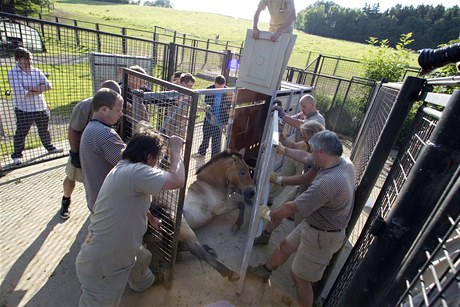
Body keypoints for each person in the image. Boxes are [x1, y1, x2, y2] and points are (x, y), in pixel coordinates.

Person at [76, 128, 185, 306]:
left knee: (142, 257)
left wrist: (150, 218)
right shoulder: (137, 172)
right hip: (105, 265)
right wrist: (175, 149)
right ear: (149, 157)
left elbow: (134, 200)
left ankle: (143, 282)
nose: (156, 164)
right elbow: (178, 180)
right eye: (157, 159)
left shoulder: (123, 168)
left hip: (103, 249)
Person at [248, 130, 356, 307]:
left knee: (299, 277)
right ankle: (264, 270)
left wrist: (268, 214)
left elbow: (292, 207)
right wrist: (284, 149)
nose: (311, 154)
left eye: (314, 150)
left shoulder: (328, 182)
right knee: (285, 246)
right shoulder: (342, 162)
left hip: (323, 236)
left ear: (322, 152)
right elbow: (306, 157)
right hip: (315, 224)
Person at [254, 120, 325, 245]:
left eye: (305, 136)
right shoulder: (311, 145)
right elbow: (302, 154)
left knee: (300, 225)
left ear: (313, 135)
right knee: (282, 209)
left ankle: (299, 246)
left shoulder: (321, 153)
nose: (303, 139)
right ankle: (265, 235)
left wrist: (279, 179)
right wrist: (283, 148)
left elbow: (306, 178)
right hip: (303, 188)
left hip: (312, 194)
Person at [60, 80, 121, 220]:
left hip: (99, 149)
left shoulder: (117, 105)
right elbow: (73, 130)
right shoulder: (84, 106)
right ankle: (66, 199)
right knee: (72, 175)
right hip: (81, 147)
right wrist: (75, 153)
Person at [7, 47, 62, 165]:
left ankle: (50, 147)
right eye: (26, 59)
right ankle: (17, 155)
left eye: (30, 59)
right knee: (21, 132)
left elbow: (49, 86)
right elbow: (21, 93)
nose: (29, 61)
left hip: (40, 106)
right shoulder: (12, 73)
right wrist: (39, 89)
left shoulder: (36, 71)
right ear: (18, 59)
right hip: (24, 109)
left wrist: (31, 90)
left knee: (44, 130)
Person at [268, 94, 325, 207]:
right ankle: (269, 199)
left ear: (312, 105)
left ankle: (295, 209)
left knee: (302, 185)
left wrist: (282, 114)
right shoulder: (305, 114)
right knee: (284, 174)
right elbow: (292, 120)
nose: (302, 110)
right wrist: (280, 117)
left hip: (309, 158)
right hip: (299, 151)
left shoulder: (318, 120)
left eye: (304, 107)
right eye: (301, 107)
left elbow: (299, 124)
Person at [79, 88, 126, 213]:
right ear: (104, 109)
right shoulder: (105, 134)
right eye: (118, 110)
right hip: (108, 205)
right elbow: (129, 164)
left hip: (96, 199)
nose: (121, 114)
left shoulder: (91, 127)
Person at [193, 75, 233, 159]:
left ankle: (215, 158)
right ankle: (201, 153)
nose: (219, 90)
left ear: (224, 85)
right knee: (205, 137)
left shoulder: (228, 92)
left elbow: (229, 109)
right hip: (209, 119)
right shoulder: (209, 89)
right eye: (217, 87)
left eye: (221, 88)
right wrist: (209, 114)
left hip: (220, 121)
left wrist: (225, 123)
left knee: (217, 141)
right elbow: (207, 104)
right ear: (214, 83)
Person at [162, 73, 195, 139]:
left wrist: (204, 109)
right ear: (183, 83)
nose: (191, 88)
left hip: (182, 126)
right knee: (171, 145)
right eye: (189, 86)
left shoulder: (189, 94)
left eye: (192, 86)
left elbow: (192, 105)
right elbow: (173, 112)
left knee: (180, 144)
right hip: (172, 125)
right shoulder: (174, 92)